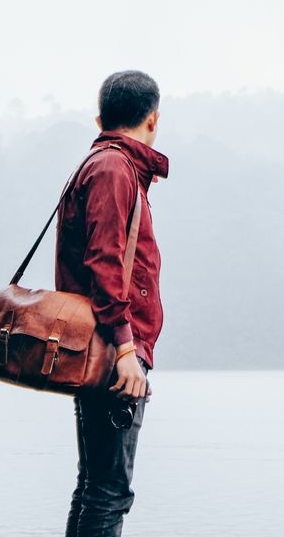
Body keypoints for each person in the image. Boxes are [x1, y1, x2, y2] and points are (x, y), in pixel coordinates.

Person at [55, 70, 169, 537]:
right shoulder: (114, 170)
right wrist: (126, 351)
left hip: (102, 349)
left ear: (101, 118)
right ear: (154, 119)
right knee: (108, 493)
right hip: (110, 352)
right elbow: (105, 264)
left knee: (94, 488)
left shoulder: (104, 165)